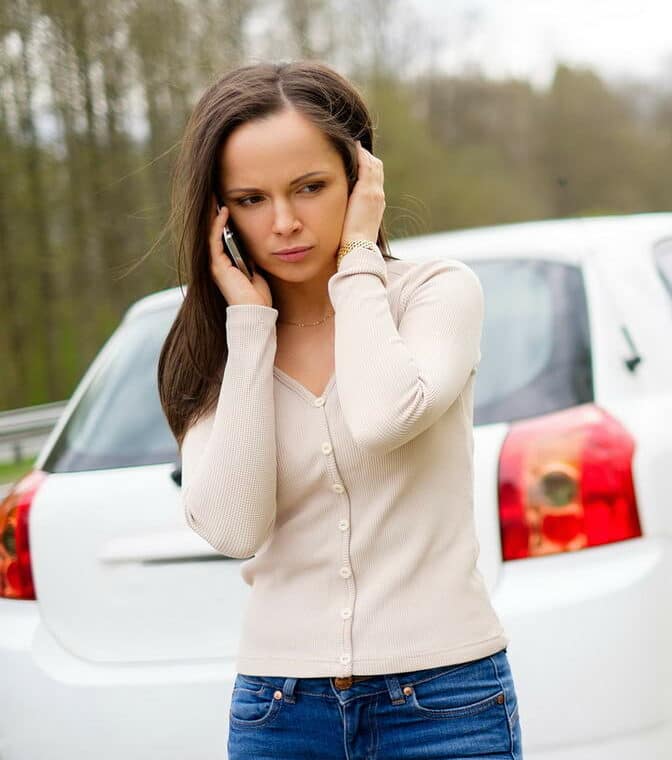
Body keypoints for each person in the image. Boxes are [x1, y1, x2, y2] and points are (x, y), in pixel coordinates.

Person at [156, 61, 522, 760]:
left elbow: (384, 416)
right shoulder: (215, 347)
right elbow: (236, 527)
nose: (285, 222)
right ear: (219, 213)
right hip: (279, 712)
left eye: (310, 188)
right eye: (252, 199)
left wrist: (357, 256)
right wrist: (251, 327)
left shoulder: (433, 297)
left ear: (361, 181)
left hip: (447, 703)